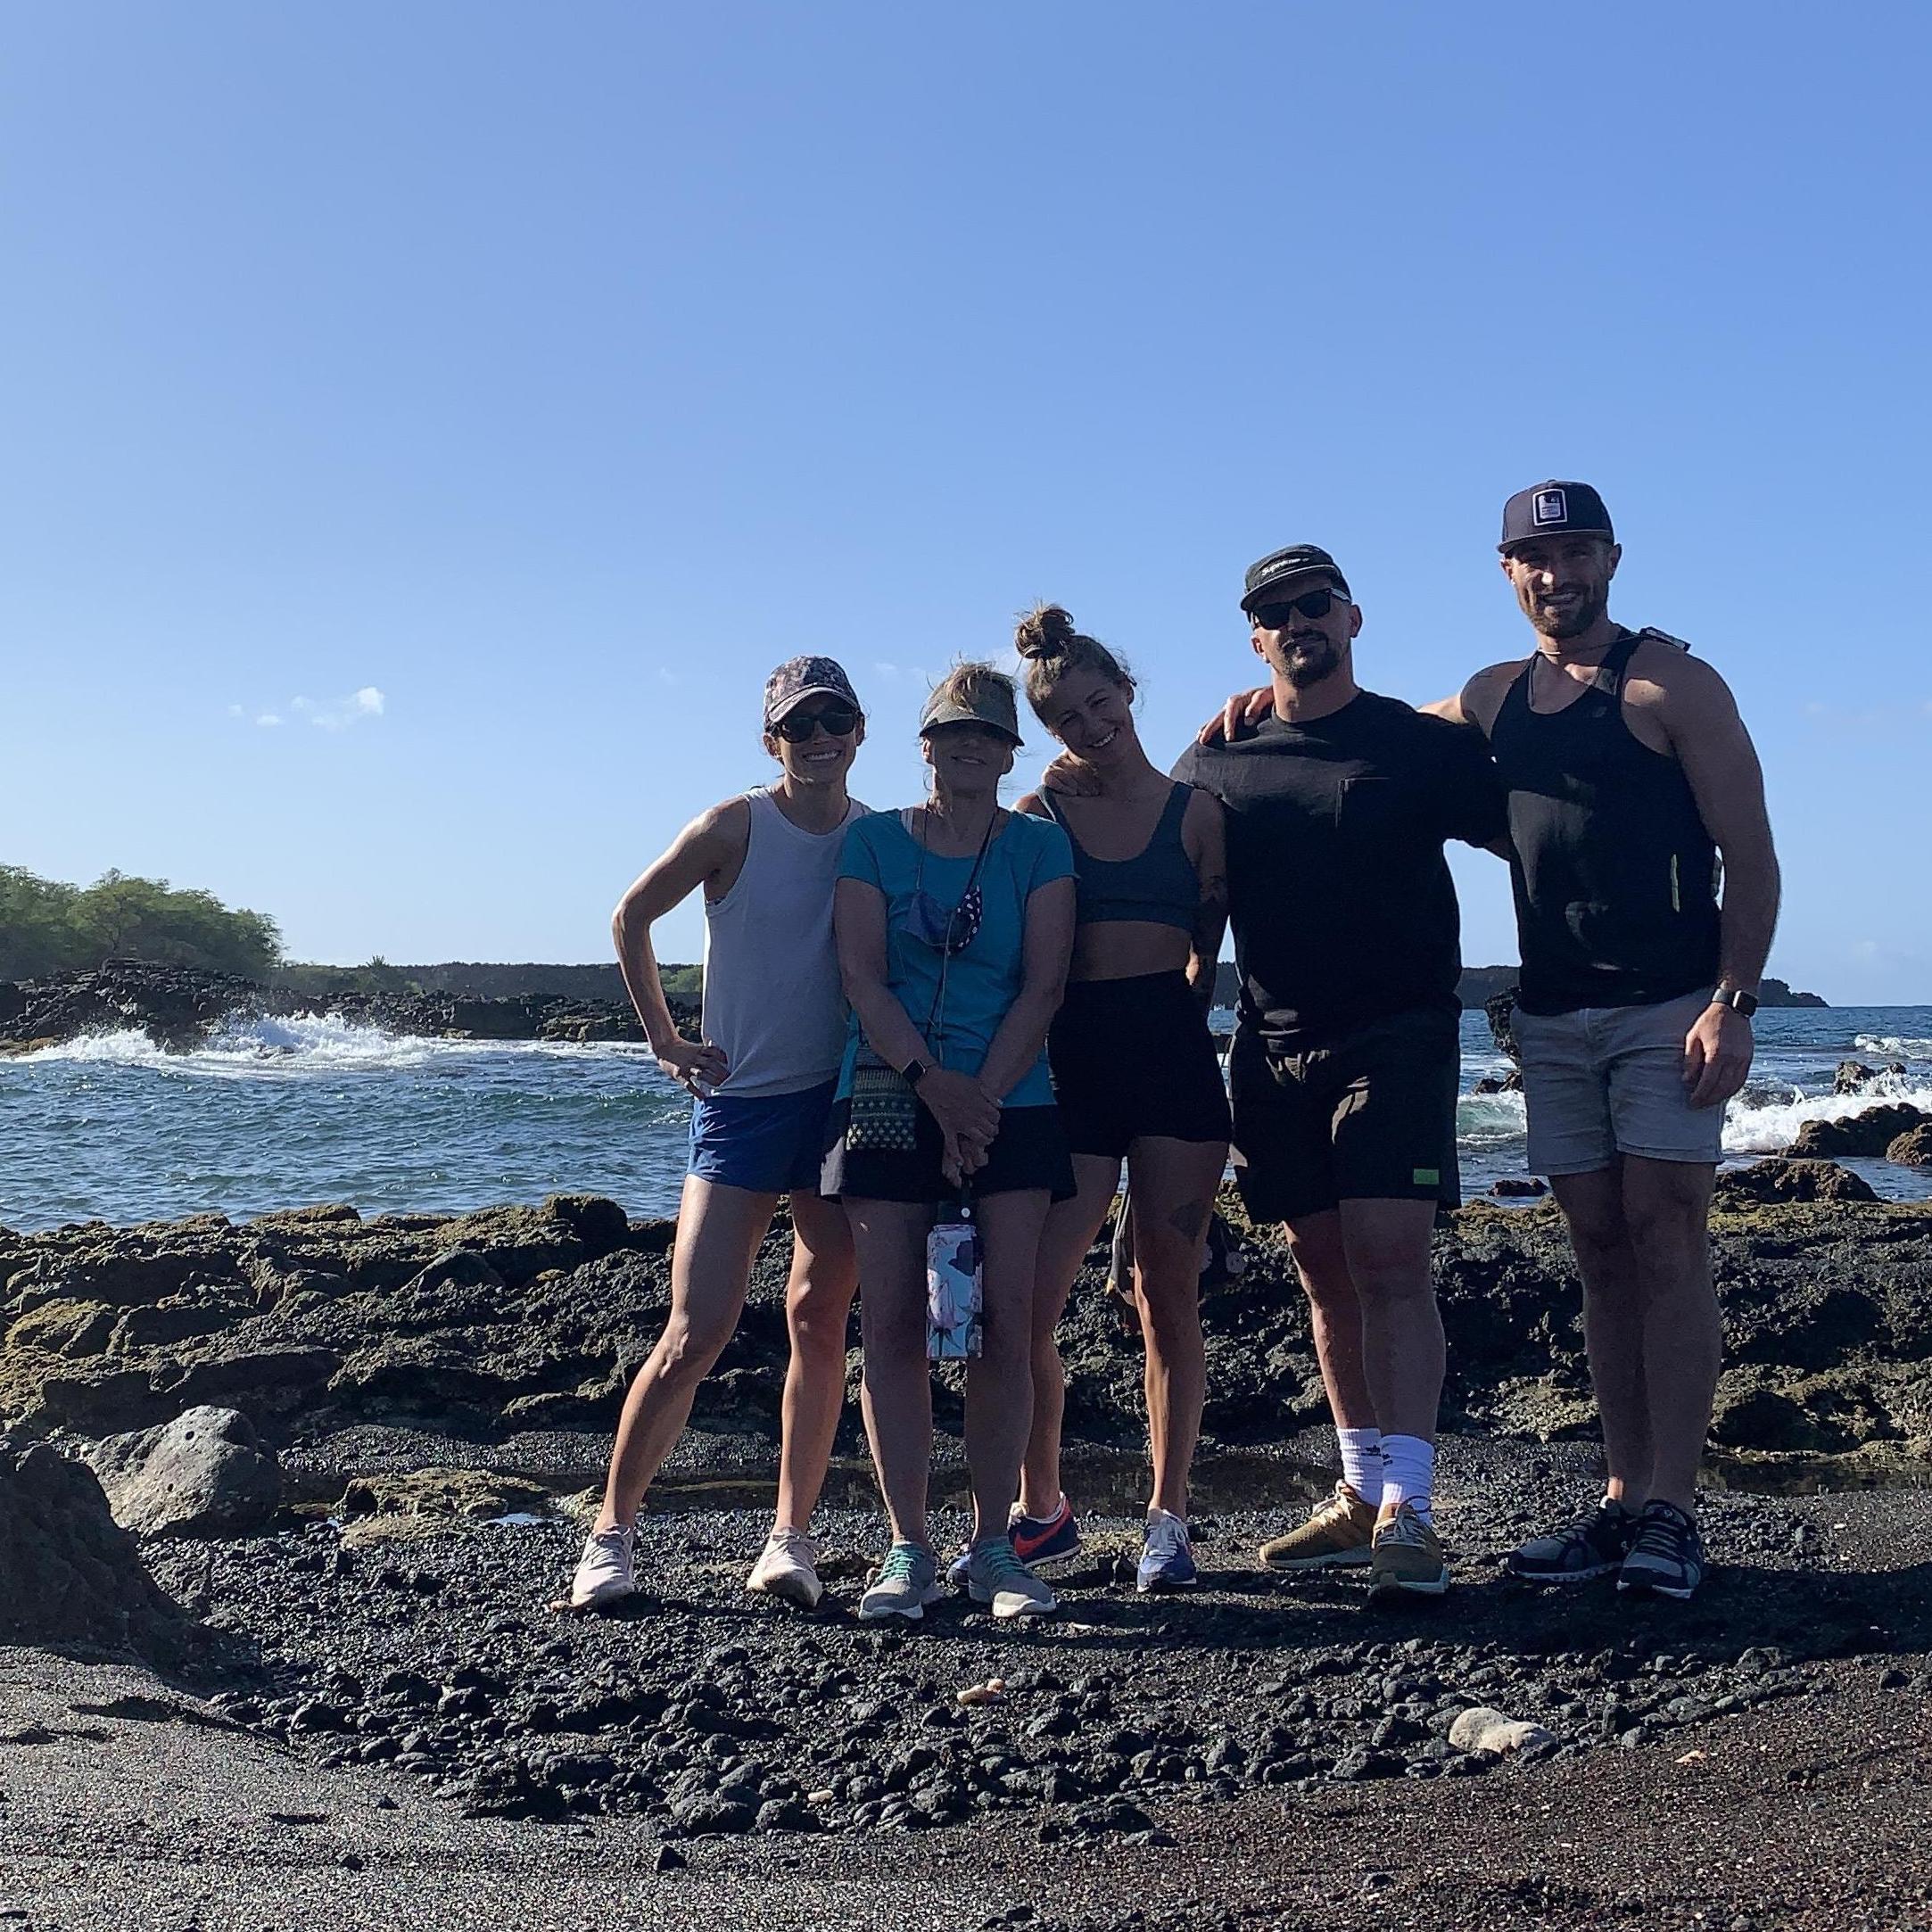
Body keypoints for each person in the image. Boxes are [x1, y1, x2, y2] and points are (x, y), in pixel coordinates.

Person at [1434, 481, 1779, 1599]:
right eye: (1533, 557)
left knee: (1666, 1233)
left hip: (1670, 1007)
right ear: (1506, 573)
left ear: (1612, 559)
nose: (1555, 573)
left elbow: (1753, 857)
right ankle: (1622, 1498)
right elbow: (1367, 741)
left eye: (1575, 550)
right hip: (1549, 1014)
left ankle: (1672, 1510)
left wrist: (1736, 1002)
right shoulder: (1493, 699)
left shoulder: (1672, 682)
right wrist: (1250, 712)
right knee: (1596, 1248)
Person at [1180, 545, 1506, 1598]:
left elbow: (1544, 831)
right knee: (1322, 1273)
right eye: (1275, 613)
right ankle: (1362, 1492)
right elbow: (1178, 903)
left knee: (1387, 1260)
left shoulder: (1414, 746)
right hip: (1270, 1048)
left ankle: (1411, 1506)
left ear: (1353, 617)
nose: (1297, 622)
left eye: (1314, 603)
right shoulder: (1215, 762)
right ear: (1255, 639)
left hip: (1397, 1034)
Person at [568, 657, 868, 1614]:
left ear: (860, 731)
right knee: (696, 1328)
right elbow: (630, 915)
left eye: (837, 719)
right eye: (800, 723)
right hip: (740, 1108)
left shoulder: (880, 840)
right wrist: (663, 1037)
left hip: (839, 1107)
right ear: (771, 739)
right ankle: (610, 1537)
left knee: (819, 1322)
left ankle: (791, 1538)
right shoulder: (734, 826)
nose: (820, 736)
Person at [823, 662, 1077, 1622]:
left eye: (987, 734)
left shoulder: (1039, 852)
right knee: (889, 1325)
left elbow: (1042, 987)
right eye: (950, 732)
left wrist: (981, 1104)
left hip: (1015, 1100)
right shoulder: (874, 844)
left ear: (1010, 751)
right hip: (892, 1095)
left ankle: (994, 1547)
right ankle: (908, 1547)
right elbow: (863, 978)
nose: (968, 747)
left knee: (1006, 1326)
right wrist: (939, 1092)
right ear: (923, 744)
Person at [1005, 605, 1230, 1593]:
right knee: (1028, 1303)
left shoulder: (1199, 814)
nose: (1090, 729)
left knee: (1164, 1294)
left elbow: (1208, 947)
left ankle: (1167, 1521)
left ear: (1128, 691)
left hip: (1174, 1062)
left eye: (1100, 705)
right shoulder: (1039, 818)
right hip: (1075, 1065)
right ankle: (1041, 1507)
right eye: (1066, 721)